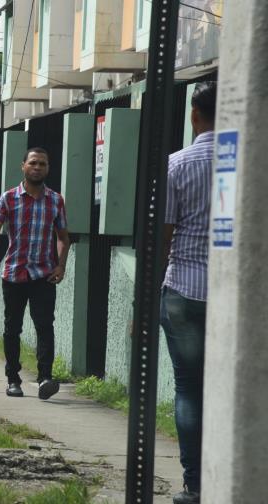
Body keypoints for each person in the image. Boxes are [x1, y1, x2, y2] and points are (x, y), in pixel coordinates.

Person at [160, 81, 216, 504]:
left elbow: (163, 235)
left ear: (194, 115)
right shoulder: (250, 162)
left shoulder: (177, 164)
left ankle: (195, 484)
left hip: (183, 287)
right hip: (235, 295)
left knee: (188, 388)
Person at [0, 147, 70, 401]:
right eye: (33, 163)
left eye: (42, 163)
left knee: (44, 326)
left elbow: (63, 238)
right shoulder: (8, 198)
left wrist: (61, 265)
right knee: (12, 328)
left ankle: (45, 378)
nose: (37, 167)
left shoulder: (55, 200)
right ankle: (13, 378)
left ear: (48, 168)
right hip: (14, 273)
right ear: (23, 166)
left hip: (44, 274)